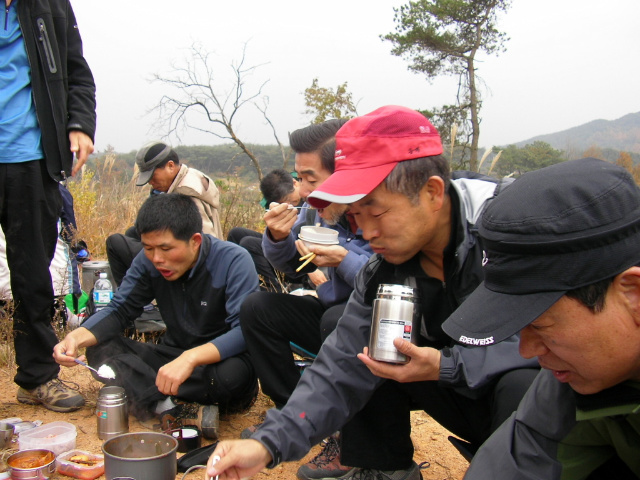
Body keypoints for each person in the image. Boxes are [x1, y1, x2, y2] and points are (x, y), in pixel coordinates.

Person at [206, 106, 539, 480]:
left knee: (525, 383)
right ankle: (387, 467)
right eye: (355, 215)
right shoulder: (388, 265)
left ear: (431, 192)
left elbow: (547, 343)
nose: (365, 232)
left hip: (546, 401)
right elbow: (340, 365)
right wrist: (268, 443)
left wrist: (447, 365)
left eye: (374, 212)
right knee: (374, 349)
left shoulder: (511, 225)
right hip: (450, 380)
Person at [440, 157, 640, 479]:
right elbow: (523, 456)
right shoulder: (581, 371)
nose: (527, 350)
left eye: (541, 326)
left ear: (633, 296)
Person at [53, 194, 259, 439]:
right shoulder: (148, 261)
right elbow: (120, 309)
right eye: (148, 248)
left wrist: (191, 358)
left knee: (233, 375)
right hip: (169, 360)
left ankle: (153, 396)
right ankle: (172, 409)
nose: (157, 258)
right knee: (100, 348)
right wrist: (76, 337)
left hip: (215, 364)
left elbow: (244, 332)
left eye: (165, 248)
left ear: (194, 241)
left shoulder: (233, 260)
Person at [239, 119, 373, 438]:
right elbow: (290, 265)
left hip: (374, 324)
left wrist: (344, 259)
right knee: (257, 308)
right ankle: (295, 413)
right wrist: (275, 234)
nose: (302, 191)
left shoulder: (378, 208)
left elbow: (390, 283)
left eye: (310, 179)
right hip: (330, 315)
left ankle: (353, 436)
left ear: (345, 173)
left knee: (337, 317)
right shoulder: (316, 210)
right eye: (299, 178)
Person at [1, 0, 96, 413]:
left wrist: (79, 124)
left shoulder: (50, 5)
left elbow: (77, 73)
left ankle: (37, 375)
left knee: (31, 274)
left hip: (30, 158)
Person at [106, 141, 222, 287]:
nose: (151, 183)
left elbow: (206, 241)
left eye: (153, 177)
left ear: (170, 166)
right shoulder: (191, 175)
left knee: (115, 242)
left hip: (189, 267)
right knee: (134, 232)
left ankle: (132, 293)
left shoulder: (187, 195)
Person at [227, 169, 305, 292]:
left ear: (295, 183)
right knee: (236, 233)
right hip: (285, 247)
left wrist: (315, 270)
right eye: (283, 204)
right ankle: (238, 279)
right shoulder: (275, 205)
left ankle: (275, 289)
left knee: (249, 243)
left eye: (292, 202)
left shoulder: (308, 198)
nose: (290, 207)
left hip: (302, 261)